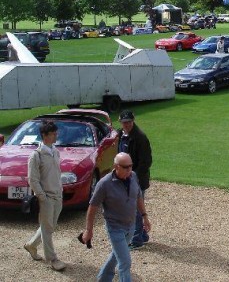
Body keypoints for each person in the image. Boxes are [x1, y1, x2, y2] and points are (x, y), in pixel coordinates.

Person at [82, 153, 151, 282]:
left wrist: (144, 216)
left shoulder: (133, 176)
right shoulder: (104, 184)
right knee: (125, 262)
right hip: (115, 228)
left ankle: (103, 279)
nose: (129, 170)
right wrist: (88, 230)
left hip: (130, 227)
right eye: (126, 167)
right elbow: (92, 207)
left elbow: (138, 197)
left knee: (116, 255)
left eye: (131, 166)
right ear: (116, 166)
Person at [24, 120, 66, 271]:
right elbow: (33, 179)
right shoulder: (36, 156)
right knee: (48, 228)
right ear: (44, 135)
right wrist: (42, 197)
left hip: (58, 195)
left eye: (56, 133)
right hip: (46, 198)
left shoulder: (55, 151)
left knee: (49, 226)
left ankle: (31, 245)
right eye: (53, 133)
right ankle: (53, 259)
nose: (56, 135)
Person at [117, 110, 152, 250]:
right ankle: (142, 235)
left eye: (129, 122)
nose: (127, 125)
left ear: (133, 121)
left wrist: (133, 177)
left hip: (136, 180)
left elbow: (146, 161)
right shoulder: (120, 134)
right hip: (125, 177)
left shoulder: (141, 137)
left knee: (136, 209)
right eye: (124, 123)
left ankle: (137, 240)